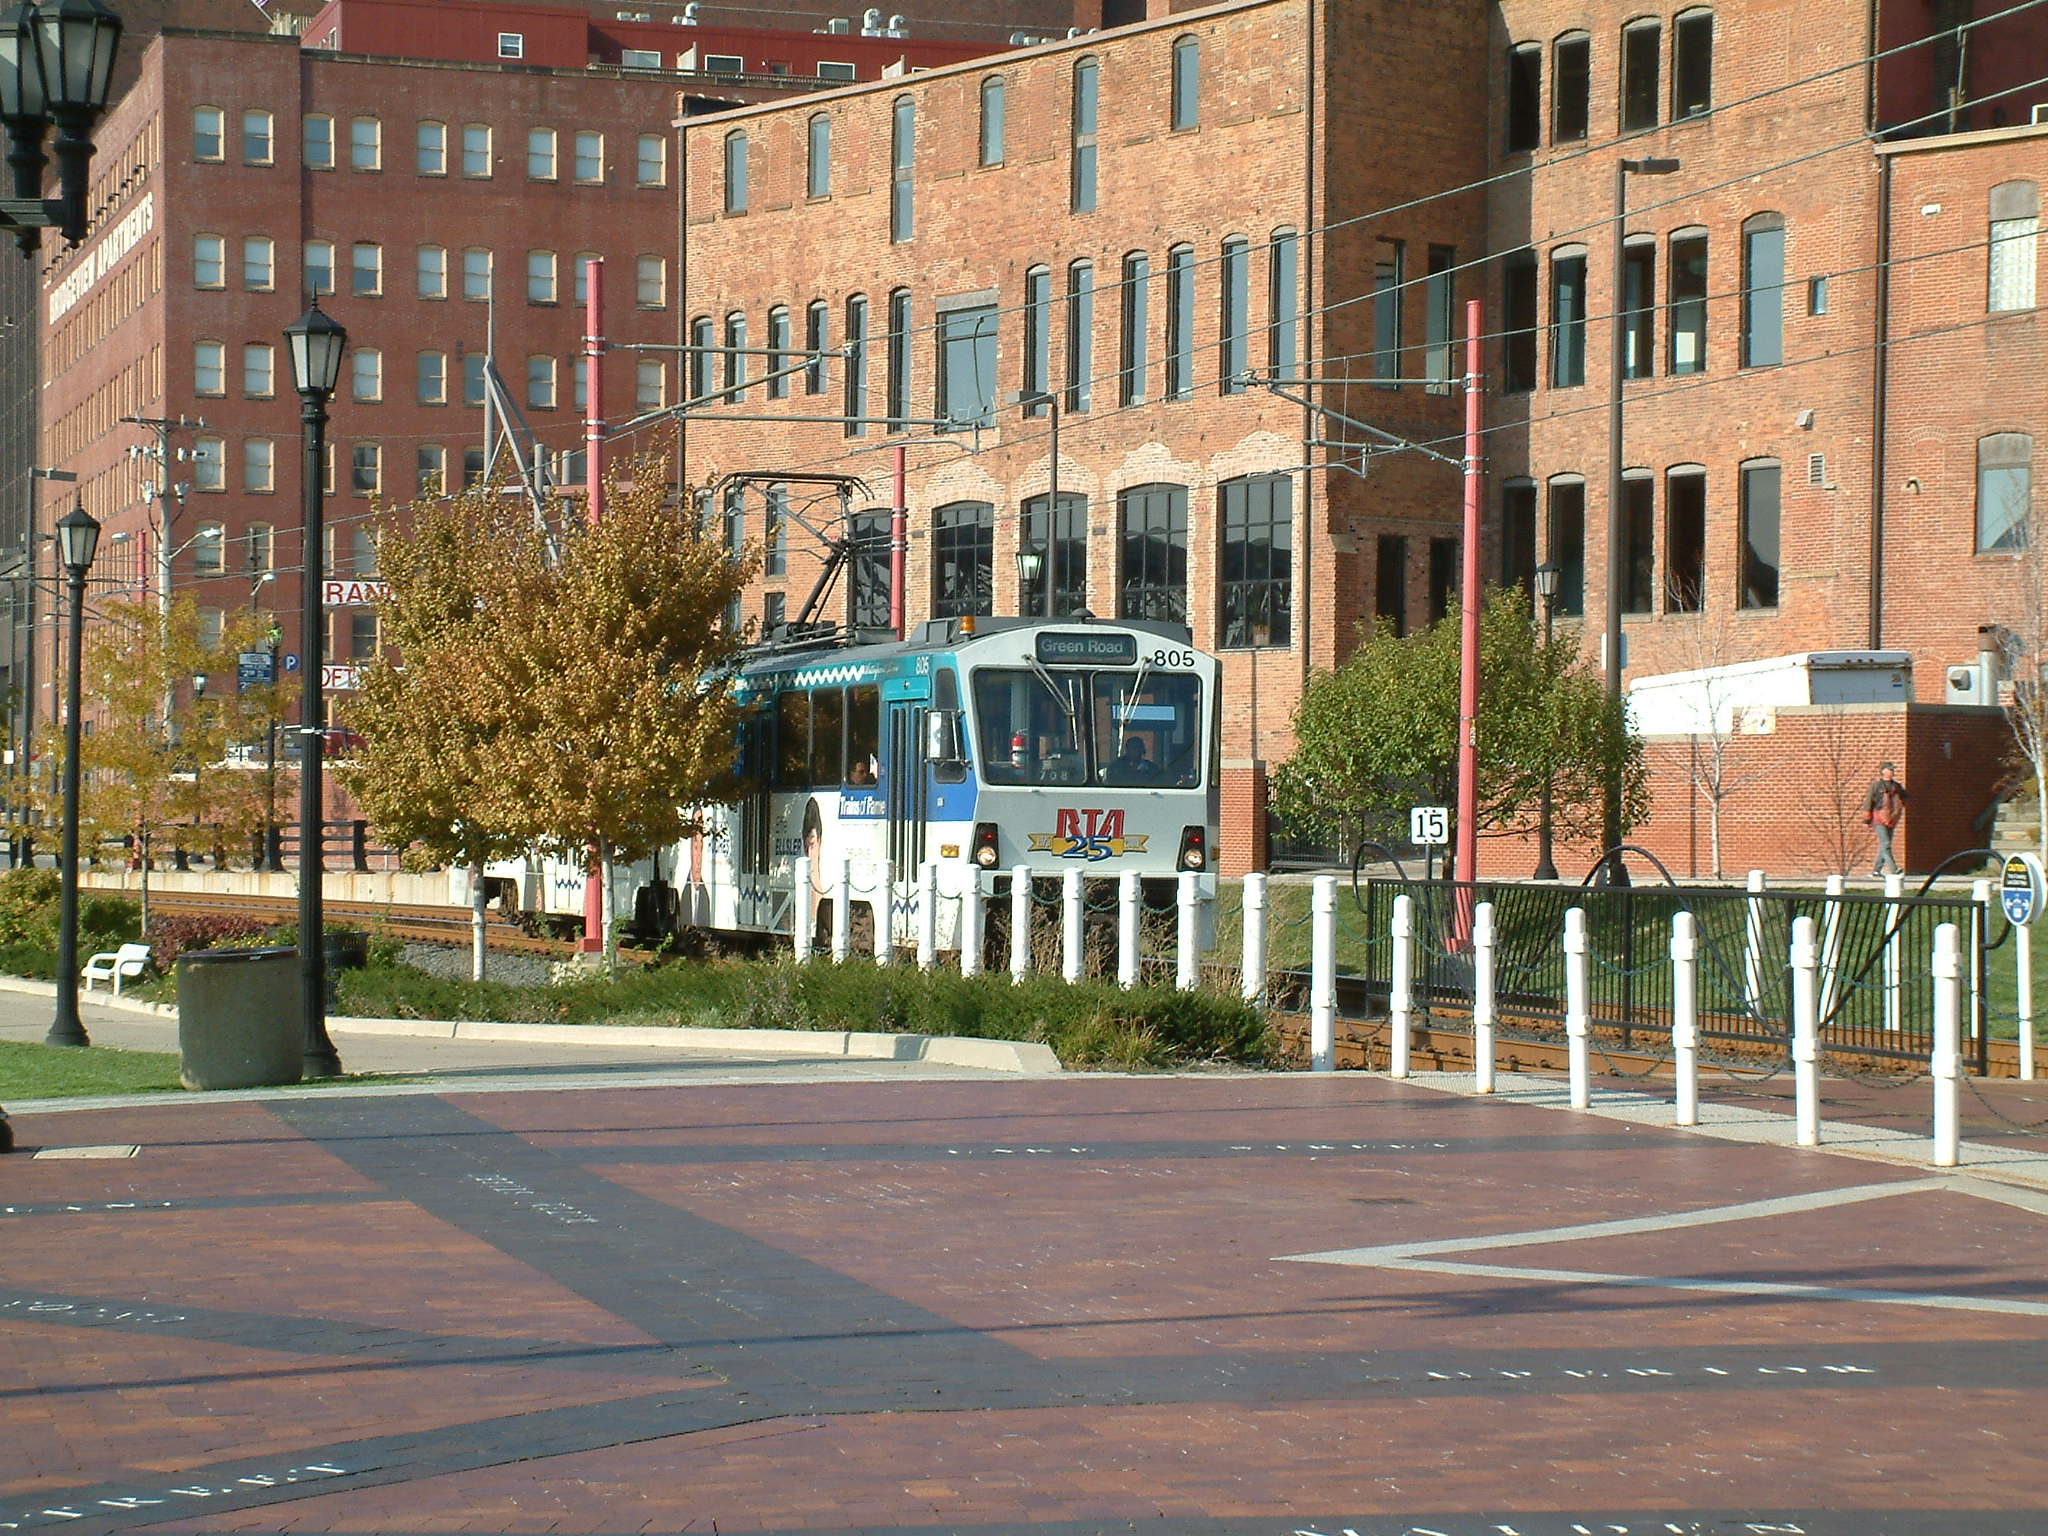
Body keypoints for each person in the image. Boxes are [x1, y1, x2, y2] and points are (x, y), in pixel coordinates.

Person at [1864, 761, 1908, 876]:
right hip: (1879, 817)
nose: (1892, 772)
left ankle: (1876, 870)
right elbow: (1868, 800)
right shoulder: (1876, 785)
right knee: (1886, 843)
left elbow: (1905, 798)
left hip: (1892, 818)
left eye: (1893, 770)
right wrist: (1867, 816)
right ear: (1883, 771)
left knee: (1884, 845)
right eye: (1890, 769)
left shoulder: (1896, 786)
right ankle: (1894, 869)